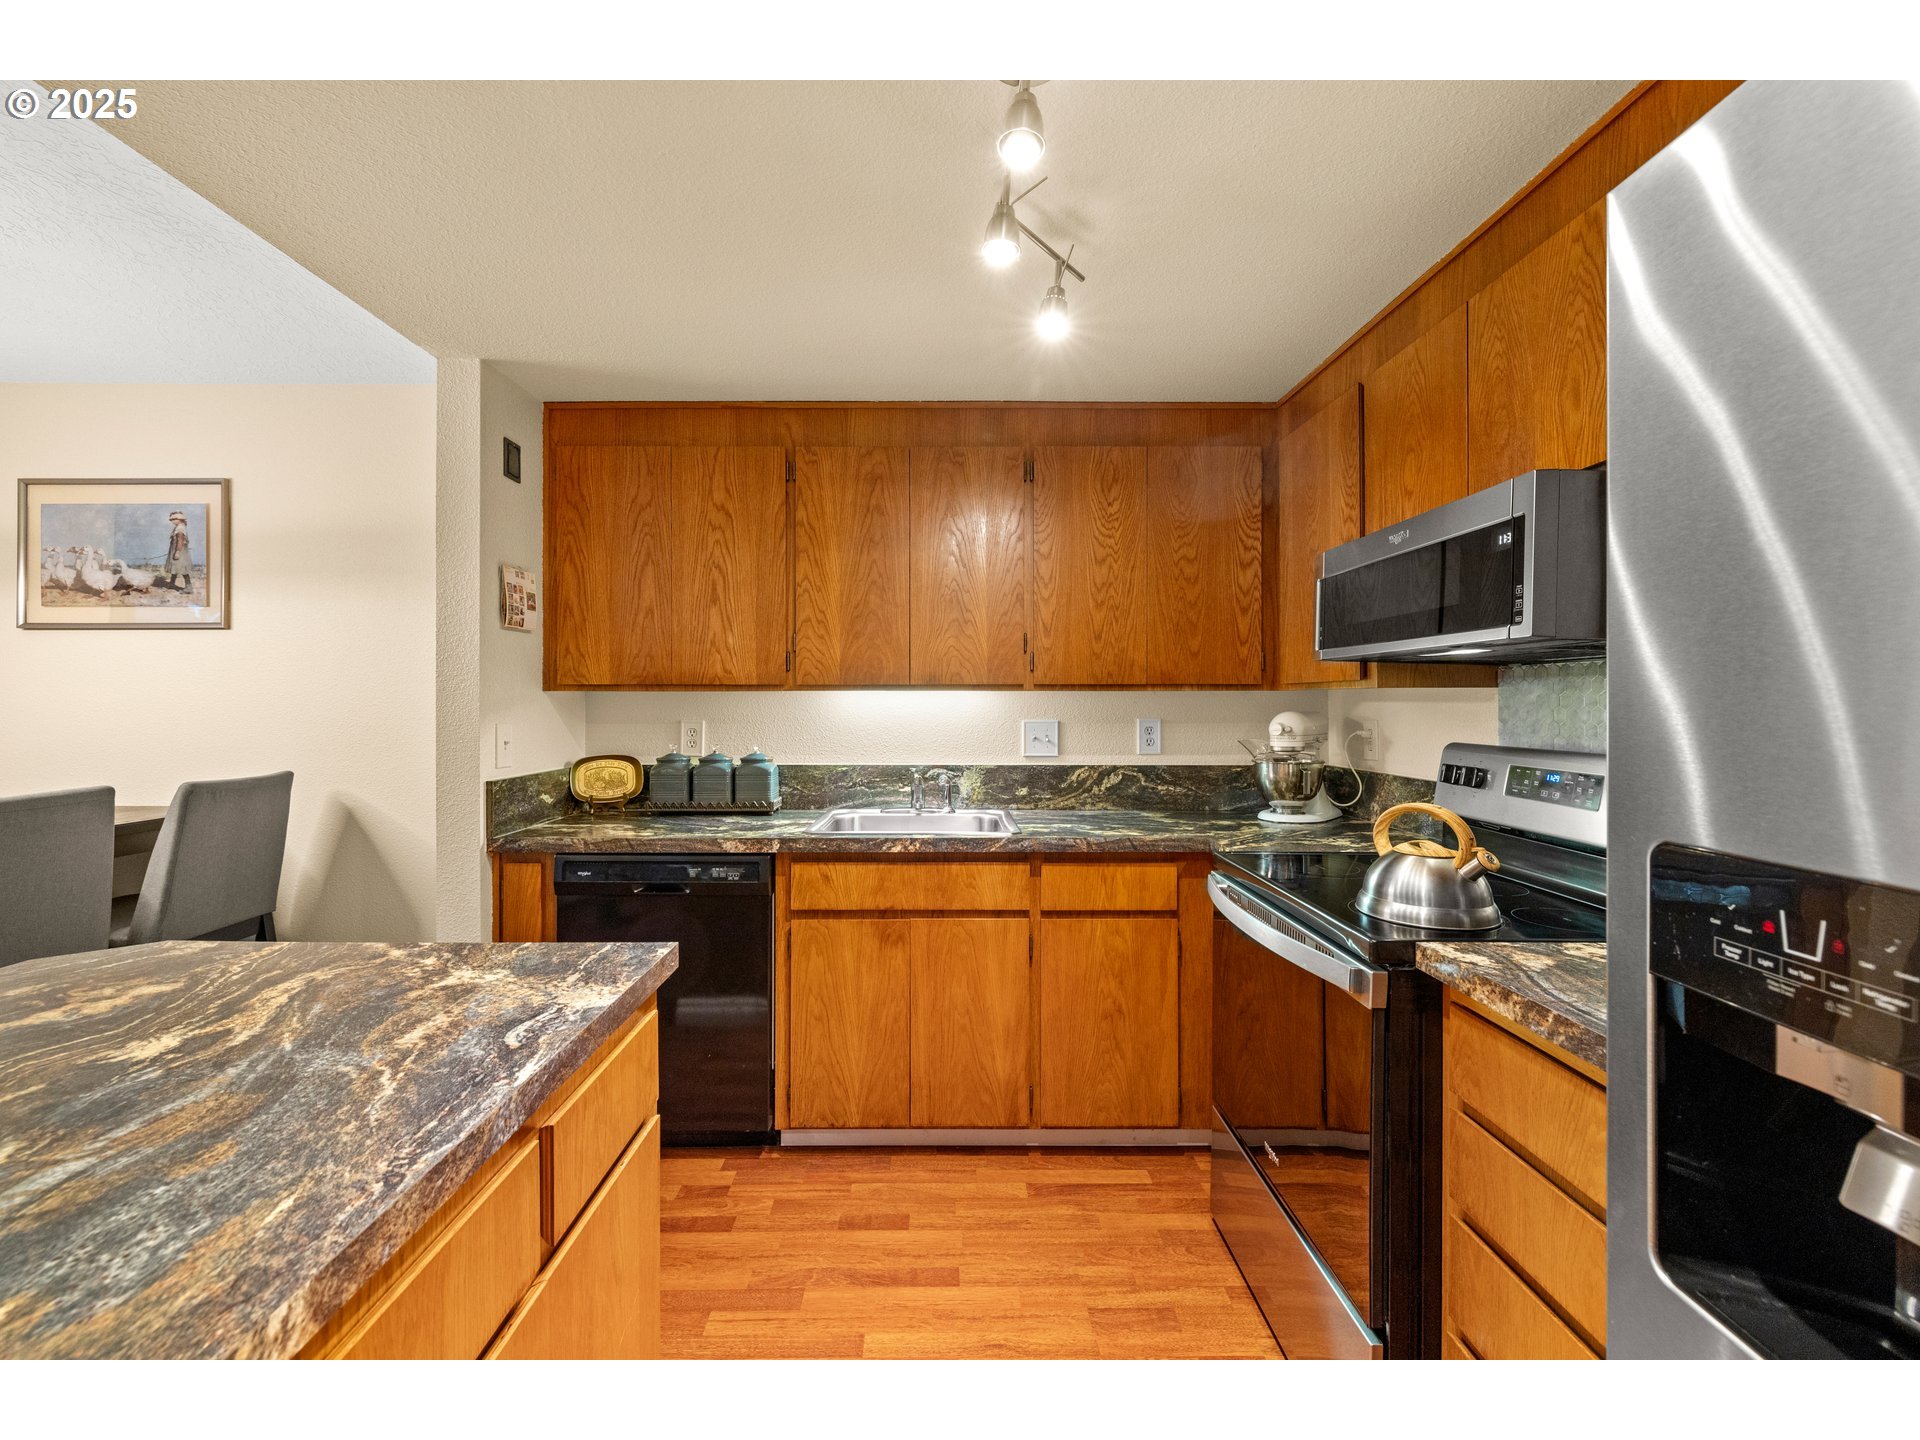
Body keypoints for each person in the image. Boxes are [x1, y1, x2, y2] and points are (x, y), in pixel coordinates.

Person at [161, 510, 194, 593]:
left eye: (173, 519)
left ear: (179, 519)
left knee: (183, 569)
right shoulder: (179, 527)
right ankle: (172, 584)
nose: (172, 521)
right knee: (174, 567)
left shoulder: (180, 528)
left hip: (179, 551)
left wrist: (177, 552)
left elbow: (180, 540)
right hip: (175, 549)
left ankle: (188, 588)